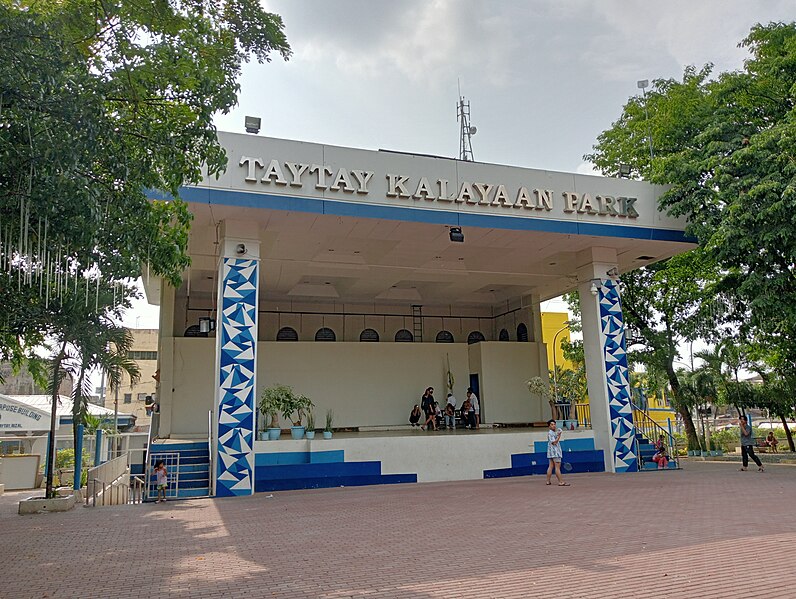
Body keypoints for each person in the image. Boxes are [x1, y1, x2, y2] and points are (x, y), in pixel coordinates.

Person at [545, 419, 568, 486]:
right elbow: (554, 442)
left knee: (550, 466)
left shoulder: (552, 433)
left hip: (551, 453)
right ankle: (560, 482)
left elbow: (555, 435)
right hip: (555, 453)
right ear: (549, 426)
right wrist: (559, 436)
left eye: (554, 424)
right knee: (557, 467)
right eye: (552, 424)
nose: (554, 426)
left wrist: (558, 433)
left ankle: (548, 481)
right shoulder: (550, 433)